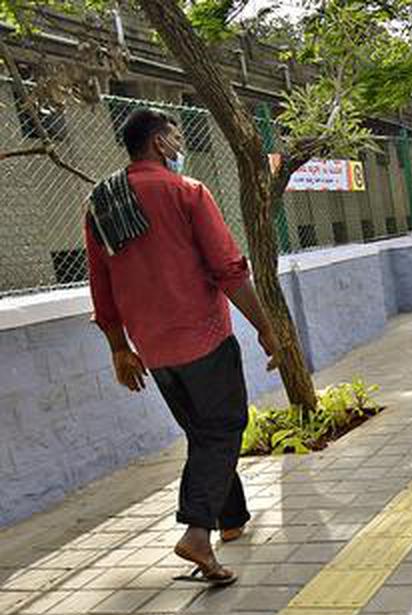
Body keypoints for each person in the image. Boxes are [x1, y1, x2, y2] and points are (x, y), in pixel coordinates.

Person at [84, 108, 280, 586]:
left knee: (204, 432)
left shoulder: (101, 203)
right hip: (203, 338)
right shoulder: (186, 191)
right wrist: (266, 326)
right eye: (173, 136)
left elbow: (100, 282)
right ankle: (197, 532)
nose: (178, 143)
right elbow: (228, 268)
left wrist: (118, 347)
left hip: (152, 349)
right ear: (158, 144)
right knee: (225, 427)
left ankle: (231, 519)